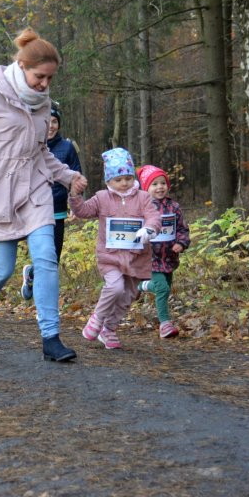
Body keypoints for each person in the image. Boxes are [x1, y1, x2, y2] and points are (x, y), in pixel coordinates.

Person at [0, 28, 88, 362]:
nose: (44, 85)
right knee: (3, 268)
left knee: (45, 258)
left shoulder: (44, 104)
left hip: (35, 189)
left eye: (50, 79)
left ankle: (50, 338)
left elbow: (41, 151)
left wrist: (67, 177)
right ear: (23, 66)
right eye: (40, 77)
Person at [68, 148, 160, 350]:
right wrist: (75, 195)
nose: (124, 183)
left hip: (137, 257)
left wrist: (149, 229)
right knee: (115, 287)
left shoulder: (144, 197)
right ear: (109, 181)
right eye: (118, 179)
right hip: (110, 257)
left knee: (128, 296)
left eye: (128, 178)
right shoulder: (102, 198)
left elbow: (154, 216)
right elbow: (83, 211)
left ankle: (109, 329)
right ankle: (97, 318)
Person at [21, 104, 83, 300]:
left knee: (53, 260)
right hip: (35, 208)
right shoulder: (30, 145)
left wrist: (75, 202)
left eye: (54, 121)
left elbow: (75, 176)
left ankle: (32, 274)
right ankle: (44, 302)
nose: (51, 126)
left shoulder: (67, 147)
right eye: (47, 121)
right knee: (44, 256)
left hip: (57, 209)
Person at [137, 165, 189, 339]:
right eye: (154, 184)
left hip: (169, 257)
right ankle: (165, 324)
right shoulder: (142, 207)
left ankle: (140, 286)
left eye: (162, 183)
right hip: (150, 257)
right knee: (162, 288)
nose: (159, 187)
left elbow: (182, 228)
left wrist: (181, 243)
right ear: (146, 188)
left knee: (165, 290)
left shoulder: (174, 207)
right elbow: (134, 231)